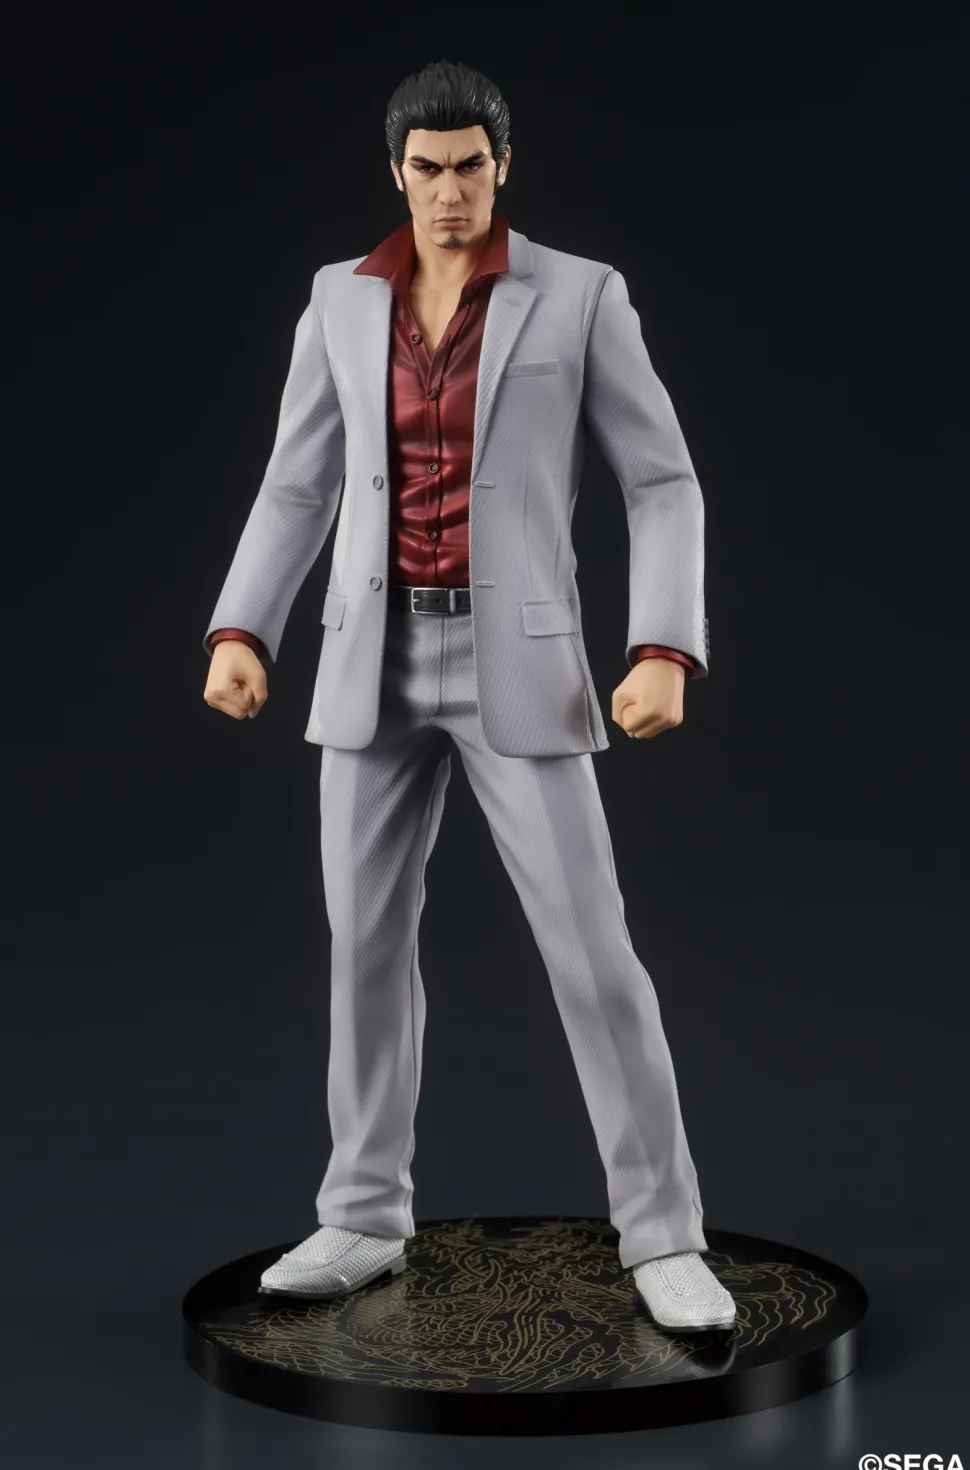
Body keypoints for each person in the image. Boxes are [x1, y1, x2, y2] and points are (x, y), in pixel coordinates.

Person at [202, 57, 734, 1333]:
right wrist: (242, 625)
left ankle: (663, 1232)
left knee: (592, 955)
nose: (450, 191)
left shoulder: (580, 296)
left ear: (504, 167)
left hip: (520, 663)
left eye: (471, 167)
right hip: (371, 658)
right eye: (428, 169)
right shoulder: (338, 301)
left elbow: (661, 481)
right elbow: (295, 483)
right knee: (364, 949)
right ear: (397, 173)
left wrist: (662, 645)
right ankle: (361, 1210)